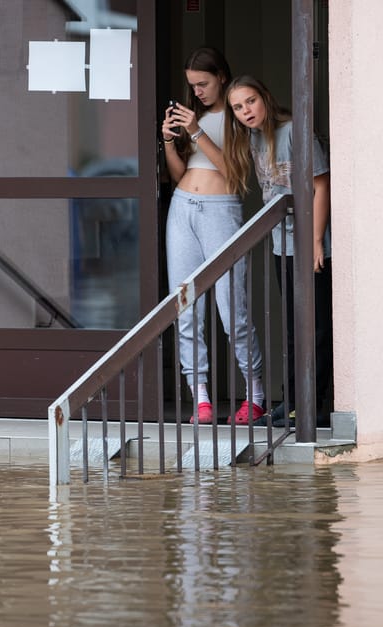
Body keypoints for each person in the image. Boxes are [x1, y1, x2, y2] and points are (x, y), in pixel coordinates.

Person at [162, 47, 266, 425]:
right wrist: (171, 140)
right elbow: (179, 173)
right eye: (193, 86)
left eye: (204, 83)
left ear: (222, 76)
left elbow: (234, 170)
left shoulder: (239, 115)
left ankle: (255, 394)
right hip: (182, 207)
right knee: (185, 305)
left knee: (232, 308)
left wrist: (195, 130)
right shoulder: (197, 117)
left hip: (221, 210)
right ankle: (201, 399)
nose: (199, 91)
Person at [223, 75, 332, 427]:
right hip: (281, 245)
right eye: (238, 107)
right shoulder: (252, 137)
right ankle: (292, 400)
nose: (246, 111)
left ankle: (313, 405)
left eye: (250, 101)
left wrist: (315, 241)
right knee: (291, 328)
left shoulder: (294, 132)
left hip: (310, 246)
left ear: (265, 98)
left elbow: (321, 184)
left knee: (314, 328)